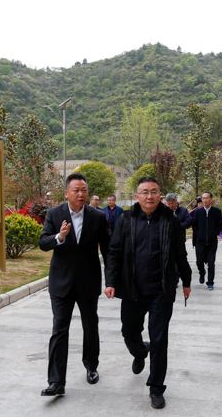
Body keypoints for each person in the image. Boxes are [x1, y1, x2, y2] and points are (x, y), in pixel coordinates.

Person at [104, 177, 192, 410]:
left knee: (159, 339)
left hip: (161, 291)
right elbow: (114, 252)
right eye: (145, 192)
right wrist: (110, 281)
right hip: (132, 290)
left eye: (154, 192)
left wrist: (186, 280)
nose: (149, 196)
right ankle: (140, 351)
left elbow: (180, 253)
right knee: (129, 332)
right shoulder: (126, 219)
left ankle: (156, 388)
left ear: (159, 195)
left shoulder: (170, 220)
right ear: (137, 196)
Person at [38, 173, 111, 397]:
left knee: (90, 326)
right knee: (59, 330)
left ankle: (91, 366)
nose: (81, 194)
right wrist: (59, 238)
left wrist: (111, 280)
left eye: (84, 190)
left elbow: (108, 250)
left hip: (88, 281)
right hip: (61, 282)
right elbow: (43, 242)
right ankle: (56, 381)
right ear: (66, 193)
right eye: (76, 190)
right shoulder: (54, 214)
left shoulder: (97, 216)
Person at [190, 191, 222, 290]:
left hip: (212, 242)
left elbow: (220, 224)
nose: (204, 200)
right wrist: (198, 234)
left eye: (207, 198)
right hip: (200, 242)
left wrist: (214, 233)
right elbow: (194, 224)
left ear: (211, 199)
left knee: (211, 262)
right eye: (203, 198)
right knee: (199, 262)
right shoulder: (198, 212)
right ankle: (202, 273)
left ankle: (210, 282)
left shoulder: (217, 211)